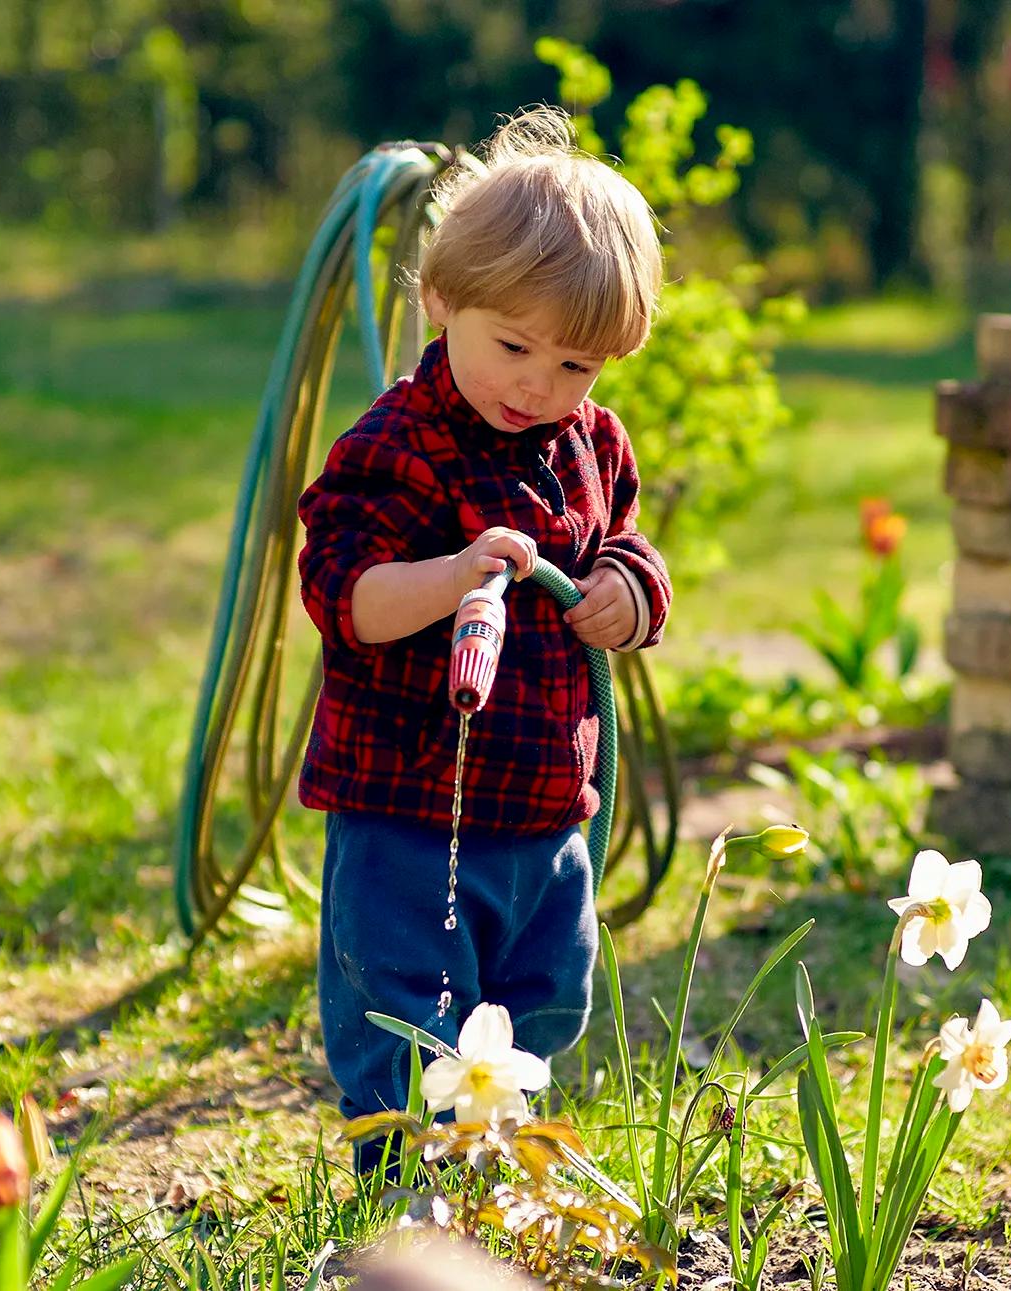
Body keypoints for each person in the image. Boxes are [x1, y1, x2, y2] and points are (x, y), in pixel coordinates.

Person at [296, 106, 671, 1166]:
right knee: (409, 1009)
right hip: (407, 810)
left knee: (545, 1005)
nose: (538, 387)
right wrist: (456, 576)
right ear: (442, 301)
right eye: (513, 347)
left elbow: (630, 543)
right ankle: (406, 1196)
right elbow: (344, 596)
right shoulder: (395, 446)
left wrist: (625, 596)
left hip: (547, 811)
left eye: (577, 366)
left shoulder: (590, 442)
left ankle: (503, 1172)